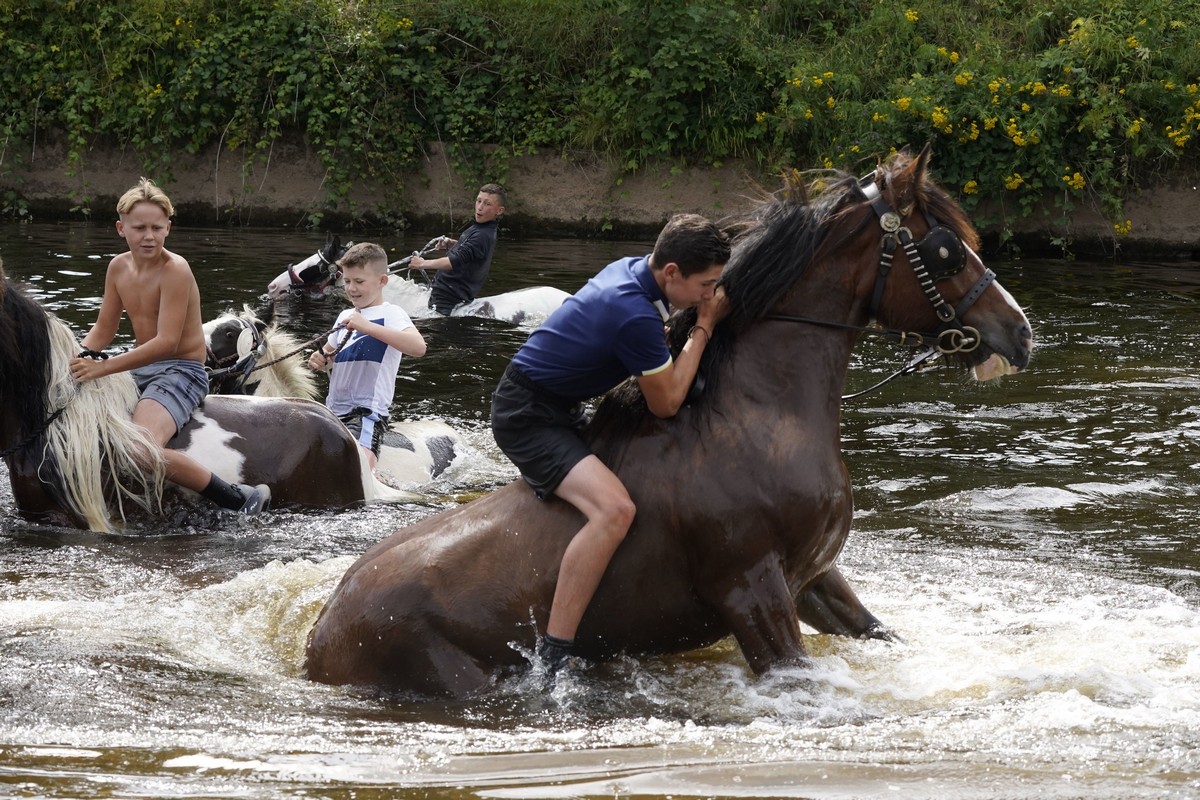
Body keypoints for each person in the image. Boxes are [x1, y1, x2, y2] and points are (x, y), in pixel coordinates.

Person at [490, 213, 732, 674]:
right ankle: (555, 654)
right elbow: (667, 403)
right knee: (614, 510)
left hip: (561, 405)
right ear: (672, 273)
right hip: (528, 417)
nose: (710, 295)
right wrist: (704, 326)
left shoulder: (635, 272)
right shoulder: (633, 312)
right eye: (706, 284)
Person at [68, 177, 271, 514]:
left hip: (181, 370)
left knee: (139, 449)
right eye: (139, 228)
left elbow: (166, 343)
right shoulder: (117, 267)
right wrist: (72, 360)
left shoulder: (175, 270)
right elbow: (103, 331)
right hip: (139, 370)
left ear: (168, 228)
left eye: (156, 228)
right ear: (121, 228)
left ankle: (239, 498)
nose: (148, 236)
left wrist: (102, 367)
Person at [308, 242, 427, 469]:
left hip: (365, 412)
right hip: (333, 411)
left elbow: (418, 347)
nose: (351, 288)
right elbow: (330, 356)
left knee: (357, 467)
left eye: (359, 282)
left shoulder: (391, 313)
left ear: (382, 281)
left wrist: (368, 327)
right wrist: (321, 359)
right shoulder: (345, 315)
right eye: (347, 281)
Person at [410, 183, 506, 314]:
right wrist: (452, 243)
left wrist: (422, 263)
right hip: (444, 292)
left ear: (499, 210)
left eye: (487, 204)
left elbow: (453, 261)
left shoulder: (482, 235)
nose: (480, 207)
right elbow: (469, 252)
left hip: (448, 298)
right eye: (479, 201)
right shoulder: (480, 227)